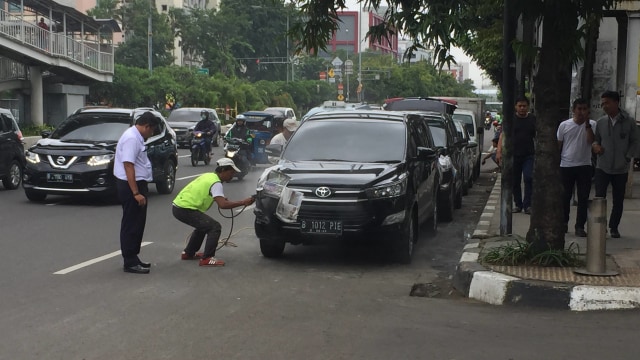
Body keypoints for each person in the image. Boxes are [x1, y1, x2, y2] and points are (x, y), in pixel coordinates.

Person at [172, 158, 256, 266]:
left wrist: (219, 197)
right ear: (223, 170)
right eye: (231, 173)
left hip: (178, 206)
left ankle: (188, 253)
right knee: (214, 227)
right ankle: (207, 258)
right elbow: (223, 205)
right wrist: (243, 202)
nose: (232, 175)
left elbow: (208, 192)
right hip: (184, 208)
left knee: (204, 225)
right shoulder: (216, 183)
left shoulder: (209, 176)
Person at [114, 111, 160, 274]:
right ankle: (130, 261)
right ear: (147, 126)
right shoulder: (132, 138)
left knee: (137, 222)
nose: (151, 134)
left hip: (135, 184)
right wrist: (135, 193)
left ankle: (134, 257)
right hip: (131, 186)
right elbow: (128, 165)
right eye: (152, 130)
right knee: (132, 223)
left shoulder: (135, 136)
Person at [592, 90, 640, 238]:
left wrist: (628, 157)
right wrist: (595, 146)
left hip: (621, 168)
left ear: (616, 102)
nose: (604, 106)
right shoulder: (601, 122)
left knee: (618, 200)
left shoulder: (629, 122)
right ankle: (600, 226)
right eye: (602, 103)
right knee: (599, 198)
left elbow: (635, 141)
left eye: (607, 102)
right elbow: (596, 140)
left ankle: (614, 227)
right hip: (602, 166)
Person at [557, 98, 596, 237]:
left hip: (584, 165)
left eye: (584, 109)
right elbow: (559, 145)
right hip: (566, 165)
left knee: (583, 197)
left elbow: (591, 141)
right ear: (574, 110)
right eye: (579, 109)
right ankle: (563, 223)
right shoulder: (564, 125)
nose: (581, 112)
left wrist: (587, 125)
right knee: (565, 197)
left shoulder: (592, 124)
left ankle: (580, 226)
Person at [496, 96, 536, 214]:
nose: (522, 108)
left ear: (528, 107)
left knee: (529, 178)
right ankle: (518, 204)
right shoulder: (510, 120)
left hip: (529, 155)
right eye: (520, 106)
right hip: (513, 154)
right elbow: (503, 135)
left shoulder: (533, 119)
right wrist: (499, 151)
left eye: (524, 106)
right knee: (515, 181)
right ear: (515, 107)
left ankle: (527, 205)